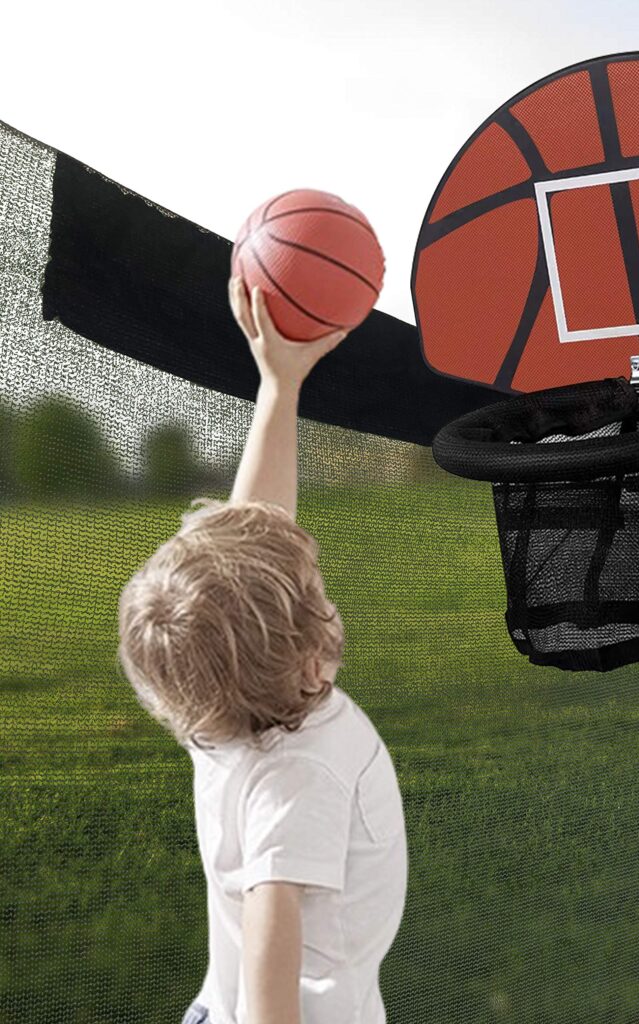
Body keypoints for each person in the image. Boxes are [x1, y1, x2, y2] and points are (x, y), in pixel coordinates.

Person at [117, 278, 407, 1024]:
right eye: (321, 595)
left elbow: (259, 524)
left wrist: (280, 382)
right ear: (311, 662)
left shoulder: (216, 705)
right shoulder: (298, 781)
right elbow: (272, 954)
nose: (327, 593)